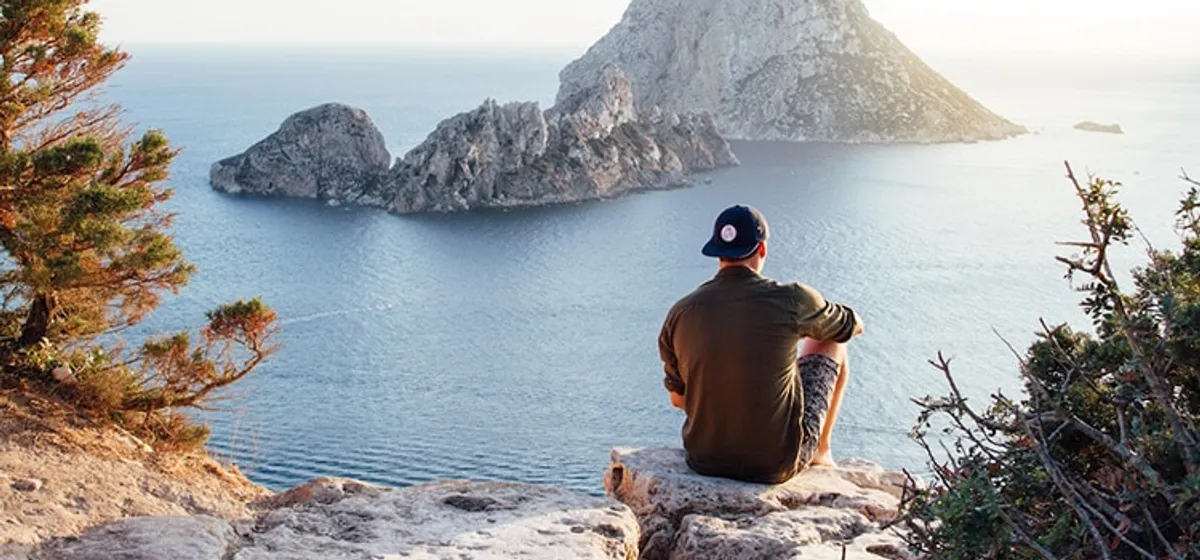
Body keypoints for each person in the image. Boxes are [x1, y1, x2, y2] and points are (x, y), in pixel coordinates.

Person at [658, 205, 863, 484]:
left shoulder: (681, 312)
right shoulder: (792, 299)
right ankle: (821, 451)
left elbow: (678, 399)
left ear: (718, 253)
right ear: (762, 250)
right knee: (832, 341)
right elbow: (851, 326)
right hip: (773, 465)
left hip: (704, 460)